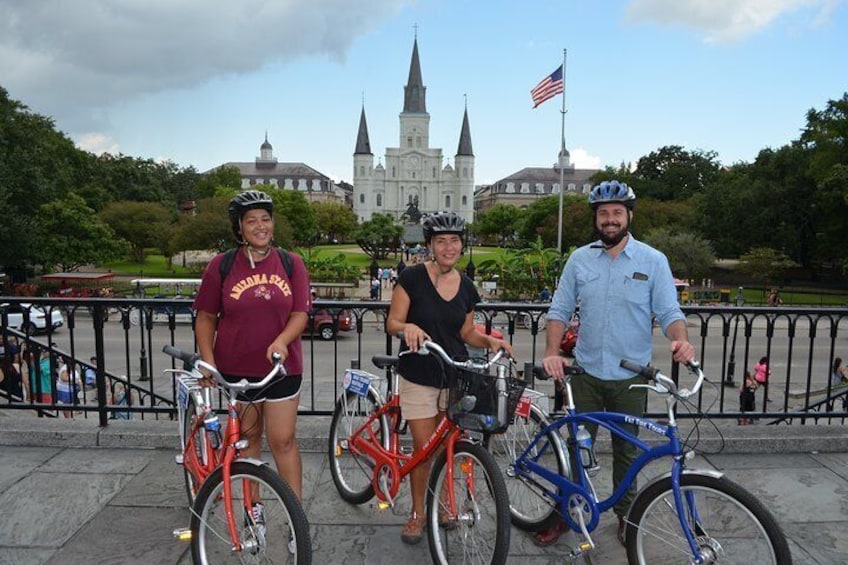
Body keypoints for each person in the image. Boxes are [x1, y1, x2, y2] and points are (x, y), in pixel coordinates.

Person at [538, 180, 696, 547]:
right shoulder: (579, 259)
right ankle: (569, 512)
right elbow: (559, 310)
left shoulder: (653, 260)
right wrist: (551, 351)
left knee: (629, 453)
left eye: (617, 213)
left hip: (631, 378)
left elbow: (669, 311)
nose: (610, 220)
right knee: (578, 448)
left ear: (629, 217)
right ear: (596, 218)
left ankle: (627, 516)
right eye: (603, 213)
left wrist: (681, 340)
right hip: (586, 375)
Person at [386, 211, 513, 545]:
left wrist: (490, 341)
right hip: (419, 373)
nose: (448, 247)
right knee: (424, 451)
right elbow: (393, 322)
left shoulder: (467, 287)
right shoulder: (412, 278)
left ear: (461, 245)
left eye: (454, 240)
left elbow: (466, 332)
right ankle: (418, 513)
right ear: (430, 245)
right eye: (441, 241)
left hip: (454, 375)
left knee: (449, 447)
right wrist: (408, 327)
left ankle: (443, 505)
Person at [193, 190, 311, 539]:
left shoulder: (291, 263)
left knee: (283, 440)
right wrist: (208, 362)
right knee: (248, 441)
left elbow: (300, 314)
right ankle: (252, 511)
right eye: (251, 221)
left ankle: (295, 519)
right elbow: (205, 317)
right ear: (239, 228)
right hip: (235, 368)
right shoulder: (222, 265)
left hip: (281, 370)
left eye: (265, 219)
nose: (260, 226)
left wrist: (282, 340)